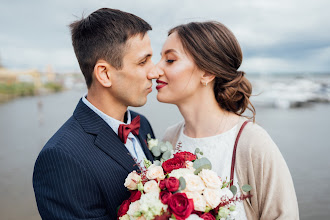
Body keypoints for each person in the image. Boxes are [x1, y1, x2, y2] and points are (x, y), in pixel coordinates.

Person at [155, 21, 299, 219]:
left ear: (206, 73)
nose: (155, 71)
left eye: (170, 60)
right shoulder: (170, 138)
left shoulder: (252, 143)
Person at [33, 8, 158, 219]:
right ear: (104, 73)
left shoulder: (141, 124)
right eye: (142, 62)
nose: (154, 72)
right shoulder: (62, 158)